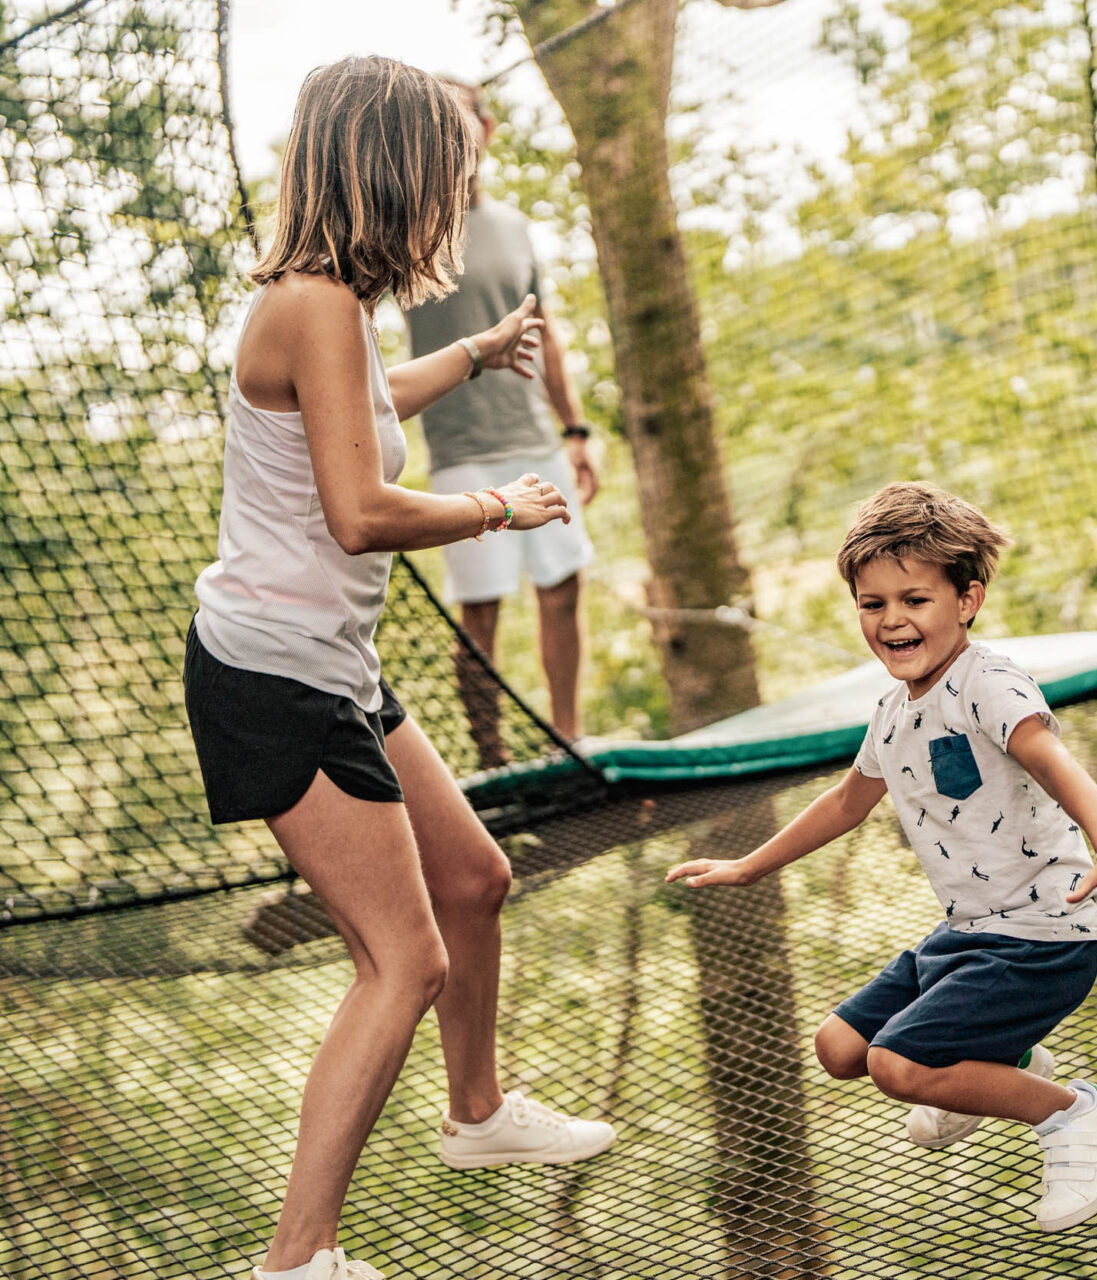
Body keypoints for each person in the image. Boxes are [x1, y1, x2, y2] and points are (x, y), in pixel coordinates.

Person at [181, 58, 615, 1280]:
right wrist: (495, 506)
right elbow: (360, 509)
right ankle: (295, 1260)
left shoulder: (331, 308)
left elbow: (366, 407)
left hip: (331, 664)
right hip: (273, 677)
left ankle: (475, 1113)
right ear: (394, 170)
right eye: (449, 171)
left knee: (474, 879)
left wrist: (474, 354)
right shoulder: (312, 303)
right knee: (404, 958)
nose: (460, 191)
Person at [665, 482, 1097, 1232]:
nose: (892, 621)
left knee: (899, 1067)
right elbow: (847, 802)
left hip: (1040, 940)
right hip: (968, 935)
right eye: (872, 604)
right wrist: (751, 865)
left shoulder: (988, 683)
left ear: (966, 600)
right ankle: (996, 1071)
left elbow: (1052, 760)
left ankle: (1075, 1114)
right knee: (839, 1048)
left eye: (914, 600)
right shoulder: (892, 710)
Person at [402, 80, 598, 767]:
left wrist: (575, 432)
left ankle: (569, 738)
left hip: (535, 439)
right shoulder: (408, 227)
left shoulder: (515, 227)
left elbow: (542, 333)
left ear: (486, 128)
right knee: (480, 609)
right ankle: (493, 762)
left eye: (460, 119)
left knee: (562, 588)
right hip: (460, 450)